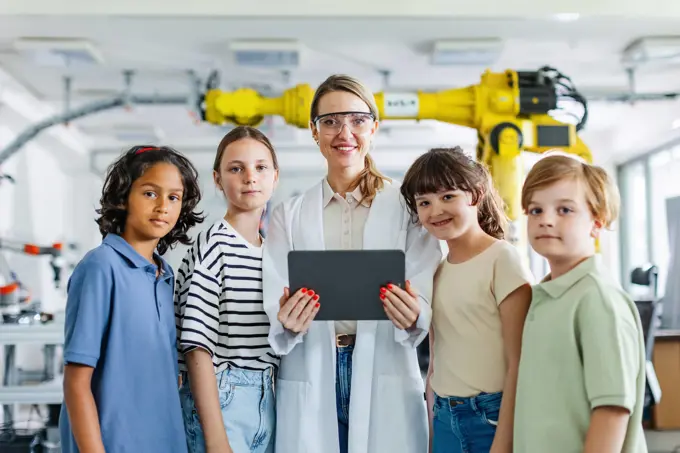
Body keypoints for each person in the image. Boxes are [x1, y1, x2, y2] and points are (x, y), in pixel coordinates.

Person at [261, 74, 442, 453]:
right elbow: (273, 296)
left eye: (358, 120)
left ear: (373, 127)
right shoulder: (289, 215)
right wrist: (286, 322)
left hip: (384, 366)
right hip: (313, 368)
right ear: (314, 131)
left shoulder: (407, 210)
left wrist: (415, 313)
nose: (345, 132)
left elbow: (424, 287)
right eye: (330, 121)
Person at [59, 146, 204, 453]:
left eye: (174, 197)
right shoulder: (101, 266)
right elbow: (76, 382)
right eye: (150, 193)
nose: (163, 206)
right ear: (123, 197)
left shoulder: (166, 277)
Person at [399, 147, 533, 453]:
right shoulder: (436, 271)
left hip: (491, 417)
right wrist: (433, 435)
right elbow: (435, 364)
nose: (436, 211)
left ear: (475, 194)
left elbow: (520, 363)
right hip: (445, 416)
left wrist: (504, 442)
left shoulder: (503, 258)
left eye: (448, 197)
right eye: (424, 202)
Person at [514, 154, 647, 453]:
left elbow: (612, 411)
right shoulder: (544, 296)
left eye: (565, 209)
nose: (546, 219)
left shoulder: (598, 300)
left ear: (596, 225)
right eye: (536, 210)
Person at [175, 126, 280, 453]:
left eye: (260, 167)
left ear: (275, 177)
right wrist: (216, 438)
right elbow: (196, 347)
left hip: (265, 394)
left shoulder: (272, 252)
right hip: (223, 396)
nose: (251, 177)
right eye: (237, 168)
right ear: (218, 179)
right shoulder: (214, 246)